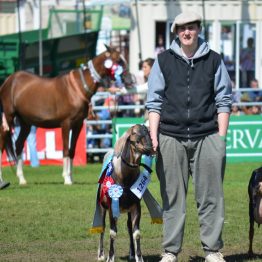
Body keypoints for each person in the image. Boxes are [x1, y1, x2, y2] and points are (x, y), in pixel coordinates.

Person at [146, 11, 232, 262]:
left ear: (198, 29)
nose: (187, 32)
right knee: (172, 198)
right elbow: (154, 102)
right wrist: (153, 137)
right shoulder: (162, 61)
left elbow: (224, 100)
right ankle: (170, 251)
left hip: (208, 137)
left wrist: (221, 139)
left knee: (211, 198)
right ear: (176, 32)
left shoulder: (215, 60)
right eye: (182, 28)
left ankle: (213, 250)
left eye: (191, 27)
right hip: (170, 137)